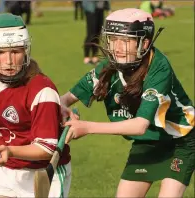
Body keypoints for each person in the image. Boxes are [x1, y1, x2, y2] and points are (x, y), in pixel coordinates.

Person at [61, 8, 195, 197]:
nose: (117, 48)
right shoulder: (108, 68)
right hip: (148, 141)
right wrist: (61, 108)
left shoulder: (159, 67)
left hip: (180, 140)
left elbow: (140, 125)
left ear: (144, 42)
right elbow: (65, 98)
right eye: (113, 39)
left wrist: (86, 127)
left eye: (125, 41)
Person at [0, 13, 71, 198]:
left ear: (26, 51)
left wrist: (9, 151)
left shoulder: (42, 89)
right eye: (1, 52)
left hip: (44, 172)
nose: (9, 60)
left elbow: (46, 149)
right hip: (3, 170)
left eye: (16, 51)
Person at [82, 0, 111, 65]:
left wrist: (108, 8)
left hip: (100, 10)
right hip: (91, 10)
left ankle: (94, 56)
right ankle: (86, 57)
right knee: (91, 33)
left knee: (97, 33)